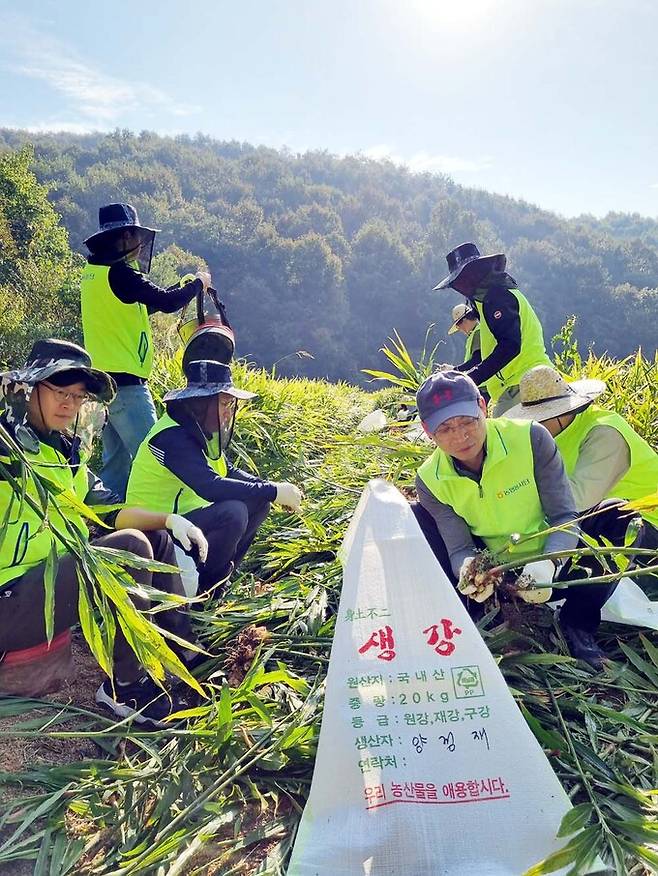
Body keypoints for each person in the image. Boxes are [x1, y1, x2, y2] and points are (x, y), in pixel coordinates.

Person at [0, 339, 209, 726]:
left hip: (43, 586)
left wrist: (169, 520)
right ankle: (124, 687)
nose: (69, 404)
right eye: (60, 391)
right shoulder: (7, 451)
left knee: (153, 539)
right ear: (28, 389)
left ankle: (180, 649)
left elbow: (112, 509)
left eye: (78, 397)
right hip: (9, 600)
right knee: (128, 548)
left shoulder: (64, 456)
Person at [411, 370, 638, 669]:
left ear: (482, 407)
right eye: (445, 429)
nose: (461, 436)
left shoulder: (530, 438)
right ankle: (482, 614)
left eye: (467, 421)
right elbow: (458, 547)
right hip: (495, 567)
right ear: (428, 431)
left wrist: (549, 562)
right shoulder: (430, 479)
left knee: (619, 517)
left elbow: (564, 514)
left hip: (552, 557)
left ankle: (578, 624)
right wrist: (468, 568)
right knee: (416, 516)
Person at [126, 359, 303, 594]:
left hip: (186, 521)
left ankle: (221, 578)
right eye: (225, 403)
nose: (229, 412)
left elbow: (227, 470)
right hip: (157, 530)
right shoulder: (172, 437)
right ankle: (205, 589)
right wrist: (274, 491)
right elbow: (209, 486)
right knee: (233, 513)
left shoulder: (198, 428)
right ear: (203, 403)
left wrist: (272, 489)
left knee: (258, 502)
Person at [80, 203, 212, 498]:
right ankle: (166, 519)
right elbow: (166, 302)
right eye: (136, 236)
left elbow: (144, 304)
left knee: (115, 467)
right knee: (157, 454)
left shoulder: (96, 274)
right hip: (126, 385)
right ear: (125, 237)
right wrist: (198, 284)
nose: (140, 245)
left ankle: (109, 526)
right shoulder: (121, 274)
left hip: (103, 383)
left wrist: (181, 286)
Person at [505, 365, 658, 547]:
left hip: (645, 526)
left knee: (607, 514)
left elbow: (576, 501)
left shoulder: (604, 433)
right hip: (607, 526)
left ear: (558, 414)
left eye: (538, 419)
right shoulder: (551, 436)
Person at [433, 242, 552, 415]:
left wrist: (469, 378)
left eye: (462, 279)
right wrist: (458, 374)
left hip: (526, 383)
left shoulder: (497, 297)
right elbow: (484, 356)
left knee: (502, 437)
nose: (461, 286)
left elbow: (509, 346)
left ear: (476, 273)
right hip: (517, 385)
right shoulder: (488, 300)